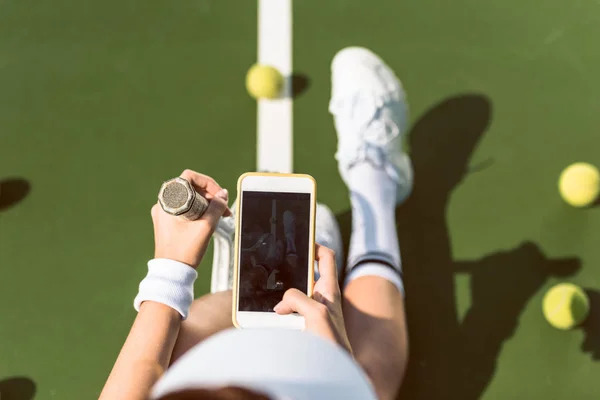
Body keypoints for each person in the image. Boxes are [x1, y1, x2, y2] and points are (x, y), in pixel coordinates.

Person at [100, 46, 413, 400]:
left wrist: (170, 272)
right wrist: (335, 362)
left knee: (197, 329)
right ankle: (375, 185)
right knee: (371, 379)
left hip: (204, 374)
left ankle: (251, 286)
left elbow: (141, 374)